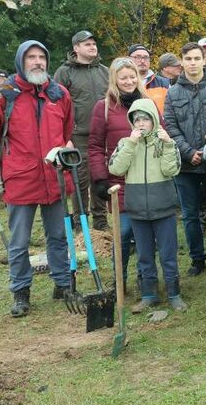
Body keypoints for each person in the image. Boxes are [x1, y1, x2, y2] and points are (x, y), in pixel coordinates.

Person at [0, 40, 76, 317]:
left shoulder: (59, 93)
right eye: (31, 57)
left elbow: (66, 132)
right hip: (20, 178)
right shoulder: (4, 95)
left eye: (42, 56)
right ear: (21, 61)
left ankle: (63, 283)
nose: (37, 62)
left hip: (54, 177)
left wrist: (65, 150)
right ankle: (20, 291)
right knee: (19, 242)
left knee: (58, 237)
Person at [107, 96, 184, 313]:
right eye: (137, 119)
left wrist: (169, 145)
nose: (141, 123)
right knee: (144, 254)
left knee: (168, 253)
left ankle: (174, 293)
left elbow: (172, 170)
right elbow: (116, 169)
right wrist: (131, 144)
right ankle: (149, 294)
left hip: (164, 208)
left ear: (154, 120)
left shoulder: (166, 142)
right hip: (137, 209)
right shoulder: (125, 143)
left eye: (145, 119)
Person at [163, 41, 206, 276]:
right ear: (182, 61)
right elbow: (170, 126)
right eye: (188, 59)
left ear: (204, 60)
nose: (192, 63)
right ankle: (197, 258)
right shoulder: (173, 93)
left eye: (196, 58)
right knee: (189, 216)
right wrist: (190, 152)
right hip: (186, 165)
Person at [88, 57, 148, 288]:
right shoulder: (103, 108)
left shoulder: (146, 102)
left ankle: (146, 278)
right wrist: (100, 178)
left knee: (144, 234)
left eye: (132, 76)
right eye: (123, 77)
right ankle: (119, 281)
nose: (129, 81)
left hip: (145, 177)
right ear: (114, 79)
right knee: (123, 233)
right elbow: (94, 146)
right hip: (118, 180)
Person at [53, 30, 109, 228]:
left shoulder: (104, 71)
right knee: (80, 180)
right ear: (76, 48)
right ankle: (80, 223)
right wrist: (63, 136)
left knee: (100, 177)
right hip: (78, 136)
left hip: (103, 135)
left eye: (94, 43)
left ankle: (101, 222)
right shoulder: (64, 72)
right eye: (87, 44)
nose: (93, 46)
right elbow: (56, 106)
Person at [127, 44, 168, 114]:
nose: (142, 61)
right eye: (138, 57)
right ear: (128, 59)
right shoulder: (122, 83)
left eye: (146, 57)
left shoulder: (164, 83)